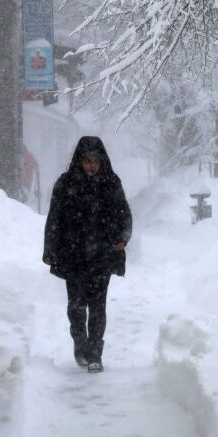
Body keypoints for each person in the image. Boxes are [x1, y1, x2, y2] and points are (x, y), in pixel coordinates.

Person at [43, 136, 132, 373]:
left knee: (98, 306)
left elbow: (124, 213)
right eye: (87, 161)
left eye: (95, 161)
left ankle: (95, 353)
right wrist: (50, 249)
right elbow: (54, 218)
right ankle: (80, 343)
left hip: (102, 255)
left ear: (102, 161)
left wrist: (123, 238)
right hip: (73, 255)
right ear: (80, 162)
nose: (92, 166)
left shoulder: (111, 183)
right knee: (76, 307)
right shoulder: (65, 183)